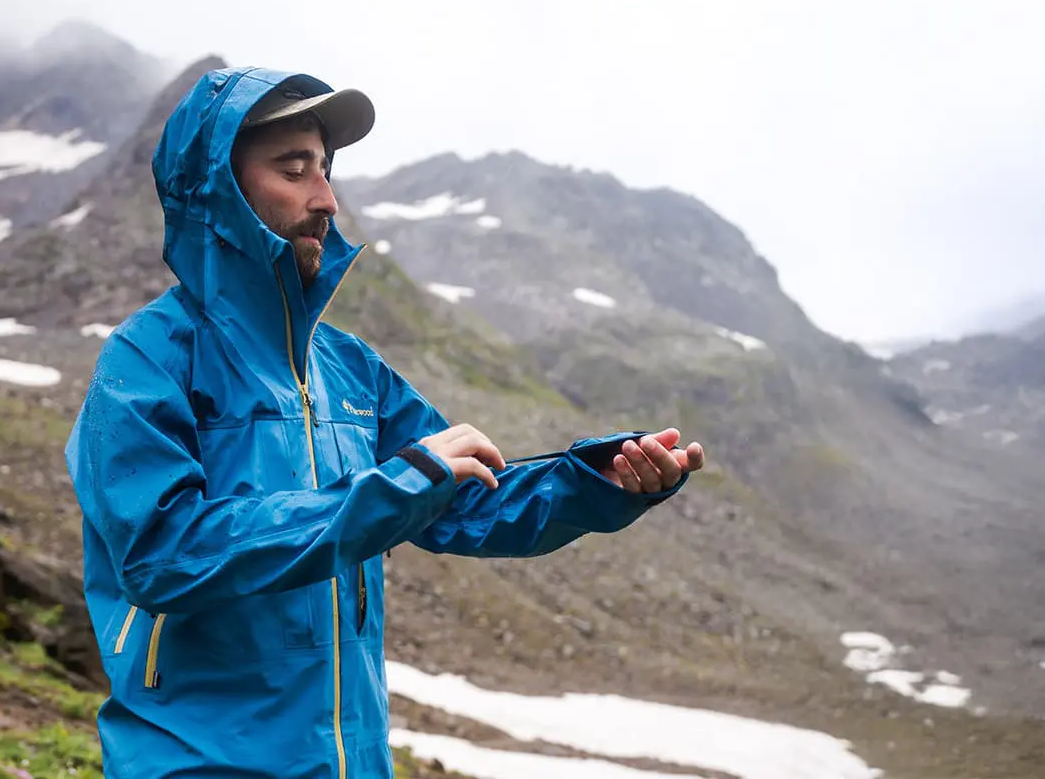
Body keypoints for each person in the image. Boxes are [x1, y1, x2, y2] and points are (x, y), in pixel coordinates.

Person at [64, 66, 706, 779]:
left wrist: (602, 482)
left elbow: (463, 497)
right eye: (294, 169)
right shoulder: (148, 358)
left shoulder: (349, 367)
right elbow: (164, 554)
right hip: (198, 764)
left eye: (327, 169)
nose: (327, 198)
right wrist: (390, 489)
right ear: (219, 189)